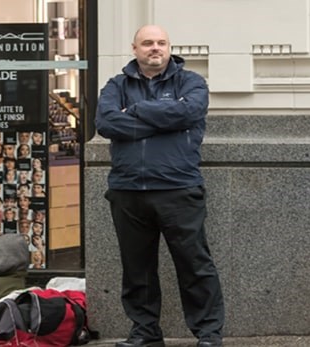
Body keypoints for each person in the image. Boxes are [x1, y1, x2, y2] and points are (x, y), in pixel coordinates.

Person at [95, 25, 224, 347]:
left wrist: (137, 111)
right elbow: (107, 123)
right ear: (135, 48)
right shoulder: (116, 85)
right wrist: (163, 121)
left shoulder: (191, 82)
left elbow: (189, 111)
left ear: (169, 47)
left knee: (194, 265)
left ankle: (208, 334)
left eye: (161, 43)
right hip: (128, 190)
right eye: (148, 43)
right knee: (137, 270)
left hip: (178, 188)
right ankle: (145, 332)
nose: (155, 48)